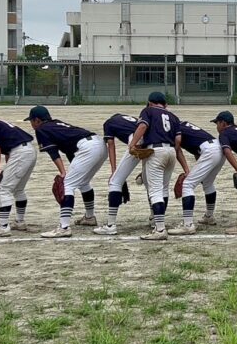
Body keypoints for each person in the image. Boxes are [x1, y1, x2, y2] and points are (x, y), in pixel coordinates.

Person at [26, 106, 107, 238]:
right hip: (99, 144)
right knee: (83, 182)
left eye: (31, 120)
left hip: (87, 148)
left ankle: (64, 227)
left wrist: (63, 173)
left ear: (37, 120)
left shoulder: (41, 129)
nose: (31, 124)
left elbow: (53, 153)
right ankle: (90, 217)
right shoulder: (56, 123)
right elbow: (70, 151)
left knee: (68, 184)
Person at [126, 92, 180, 241]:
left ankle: (160, 228)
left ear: (150, 103)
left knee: (155, 190)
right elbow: (178, 139)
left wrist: (132, 144)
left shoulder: (148, 110)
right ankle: (160, 223)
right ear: (165, 104)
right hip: (171, 151)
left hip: (156, 151)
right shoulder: (174, 116)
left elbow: (143, 126)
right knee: (163, 189)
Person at [169, 120, 225, 234]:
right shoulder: (184, 124)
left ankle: (188, 225)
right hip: (218, 148)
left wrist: (187, 171)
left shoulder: (171, 128)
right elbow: (196, 150)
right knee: (207, 183)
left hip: (209, 151)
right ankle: (209, 216)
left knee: (187, 184)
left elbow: (177, 149)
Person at [94, 112, 142, 236]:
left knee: (115, 181)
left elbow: (111, 145)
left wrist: (114, 170)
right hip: (152, 140)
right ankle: (154, 220)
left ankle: (110, 225)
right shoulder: (131, 119)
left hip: (136, 139)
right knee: (152, 183)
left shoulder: (109, 123)